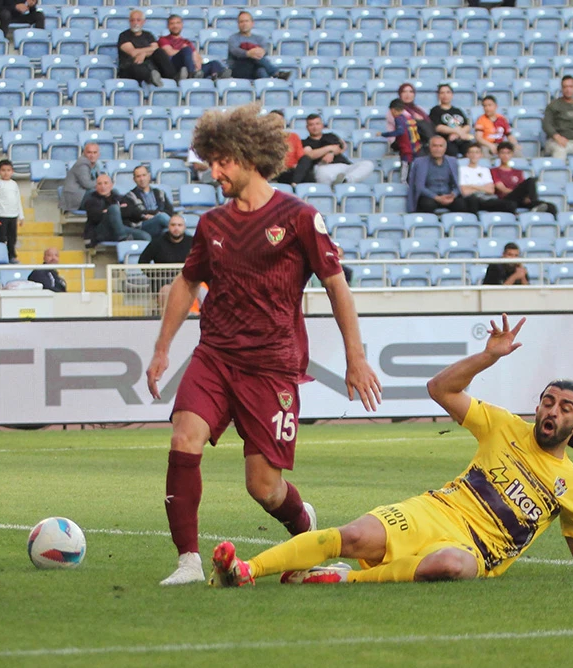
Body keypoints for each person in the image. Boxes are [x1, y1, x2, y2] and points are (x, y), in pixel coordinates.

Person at [207, 316, 573, 587]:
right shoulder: (503, 426)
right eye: (547, 401)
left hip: (475, 551)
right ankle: (246, 570)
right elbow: (440, 389)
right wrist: (486, 358)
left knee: (450, 567)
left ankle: (339, 580)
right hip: (435, 511)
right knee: (353, 533)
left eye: (564, 407)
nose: (551, 411)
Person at [144, 104, 382, 586]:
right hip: (214, 356)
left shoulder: (299, 218)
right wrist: (162, 349)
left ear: (250, 157)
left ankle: (304, 531)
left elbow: (338, 287)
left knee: (263, 486)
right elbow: (186, 285)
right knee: (183, 438)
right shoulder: (212, 224)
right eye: (210, 161)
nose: (214, 172)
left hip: (272, 367)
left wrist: (356, 358)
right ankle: (188, 561)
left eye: (222, 161)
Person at [300, 114, 374, 186]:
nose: (315, 127)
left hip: (344, 166)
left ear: (322, 125)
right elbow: (310, 155)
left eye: (317, 124)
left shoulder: (331, 136)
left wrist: (331, 153)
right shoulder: (304, 142)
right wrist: (329, 148)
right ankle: (334, 189)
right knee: (321, 172)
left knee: (368, 164)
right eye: (311, 125)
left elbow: (340, 148)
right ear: (307, 127)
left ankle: (345, 181)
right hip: (323, 167)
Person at [81, 173, 152, 247]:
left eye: (106, 183)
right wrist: (114, 211)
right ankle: (122, 238)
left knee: (146, 237)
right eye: (100, 184)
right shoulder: (91, 200)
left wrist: (110, 212)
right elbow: (95, 217)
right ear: (96, 186)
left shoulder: (120, 198)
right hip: (102, 231)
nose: (103, 186)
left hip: (120, 227)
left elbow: (130, 212)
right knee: (114, 208)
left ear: (111, 185)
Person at [139, 214, 193, 307]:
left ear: (184, 227)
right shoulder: (157, 243)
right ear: (168, 226)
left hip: (187, 282)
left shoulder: (192, 242)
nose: (176, 228)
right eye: (173, 225)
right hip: (163, 283)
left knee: (201, 290)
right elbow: (142, 262)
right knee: (167, 291)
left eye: (179, 225)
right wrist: (156, 275)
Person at [159, 15, 227, 81]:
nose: (175, 26)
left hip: (191, 66)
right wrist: (186, 51)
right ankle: (192, 75)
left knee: (214, 63)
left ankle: (217, 76)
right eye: (172, 23)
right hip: (176, 67)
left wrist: (197, 64)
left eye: (178, 23)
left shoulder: (186, 42)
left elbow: (198, 58)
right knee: (187, 50)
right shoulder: (163, 39)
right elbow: (170, 52)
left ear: (181, 25)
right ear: (168, 26)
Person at [492, 141, 553, 215]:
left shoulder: (518, 172)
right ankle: (534, 204)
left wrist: (524, 196)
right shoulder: (494, 171)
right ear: (498, 154)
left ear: (512, 154)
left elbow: (523, 186)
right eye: (502, 153)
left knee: (550, 206)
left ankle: (535, 206)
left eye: (508, 153)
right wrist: (519, 194)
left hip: (520, 199)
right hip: (506, 199)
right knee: (531, 180)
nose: (505, 156)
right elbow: (502, 189)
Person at [408, 136, 466, 213]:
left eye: (440, 146)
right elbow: (420, 187)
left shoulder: (452, 161)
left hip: (447, 195)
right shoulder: (420, 162)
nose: (438, 149)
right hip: (429, 196)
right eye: (434, 146)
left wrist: (453, 195)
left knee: (461, 204)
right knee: (427, 204)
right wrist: (436, 198)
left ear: (445, 148)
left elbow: (457, 183)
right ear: (430, 147)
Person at [457, 144, 518, 213]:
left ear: (481, 155)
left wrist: (471, 186)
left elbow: (491, 190)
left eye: (477, 152)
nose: (474, 155)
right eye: (472, 152)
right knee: (472, 199)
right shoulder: (461, 170)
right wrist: (483, 187)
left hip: (486, 199)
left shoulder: (485, 170)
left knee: (510, 204)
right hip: (472, 199)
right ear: (467, 155)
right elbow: (465, 191)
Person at [117, 10, 171, 87]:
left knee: (159, 52)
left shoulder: (148, 35)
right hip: (130, 66)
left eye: (138, 20)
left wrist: (144, 54)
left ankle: (172, 77)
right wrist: (148, 50)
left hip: (148, 64)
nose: (135, 23)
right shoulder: (124, 36)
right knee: (137, 67)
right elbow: (133, 53)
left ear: (143, 21)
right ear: (129, 21)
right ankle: (152, 77)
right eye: (132, 20)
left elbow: (155, 48)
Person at [228, 12, 288, 80]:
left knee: (262, 71)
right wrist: (248, 53)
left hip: (256, 67)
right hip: (239, 68)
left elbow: (265, 50)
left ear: (252, 23)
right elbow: (235, 51)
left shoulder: (259, 38)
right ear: (238, 24)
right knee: (256, 57)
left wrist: (260, 52)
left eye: (247, 21)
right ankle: (276, 73)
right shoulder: (233, 38)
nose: (244, 24)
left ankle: (267, 87)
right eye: (241, 22)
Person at [125, 165, 175, 234]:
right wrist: (157, 215)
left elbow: (169, 211)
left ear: (149, 176)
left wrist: (154, 215)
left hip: (160, 224)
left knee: (166, 231)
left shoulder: (160, 193)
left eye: (144, 175)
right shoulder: (130, 196)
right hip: (143, 226)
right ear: (134, 179)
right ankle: (189, 239)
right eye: (138, 176)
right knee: (162, 217)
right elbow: (136, 213)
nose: (142, 179)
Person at [0, 159, 24, 262]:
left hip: (13, 215)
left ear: (12, 171)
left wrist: (21, 216)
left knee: (12, 237)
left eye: (8, 170)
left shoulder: (14, 184)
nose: (6, 173)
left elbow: (18, 200)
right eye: (3, 170)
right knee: (1, 237)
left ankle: (11, 255)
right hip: (2, 215)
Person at [429, 84, 474, 157]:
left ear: (452, 95)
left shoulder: (457, 111)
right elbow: (438, 127)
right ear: (438, 95)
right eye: (442, 93)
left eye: (448, 92)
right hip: (446, 141)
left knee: (471, 149)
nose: (445, 95)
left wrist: (457, 134)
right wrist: (457, 132)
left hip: (460, 139)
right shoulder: (435, 110)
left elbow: (467, 126)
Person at [59, 143, 101, 213]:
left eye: (95, 152)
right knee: (101, 198)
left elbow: (98, 182)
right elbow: (87, 184)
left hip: (85, 194)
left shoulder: (96, 165)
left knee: (110, 193)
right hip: (75, 198)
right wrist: (101, 183)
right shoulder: (82, 164)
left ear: (98, 154)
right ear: (84, 153)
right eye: (89, 152)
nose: (92, 155)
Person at [383, 99, 423, 166]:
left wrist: (383, 134)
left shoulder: (400, 118)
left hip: (407, 147)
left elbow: (400, 131)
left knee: (406, 169)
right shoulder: (410, 117)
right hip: (413, 146)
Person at [274, 111, 309, 184]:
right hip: (275, 171)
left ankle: (295, 183)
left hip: (292, 171)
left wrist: (297, 166)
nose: (277, 123)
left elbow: (301, 157)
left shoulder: (293, 136)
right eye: (274, 120)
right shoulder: (263, 138)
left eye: (280, 120)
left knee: (306, 160)